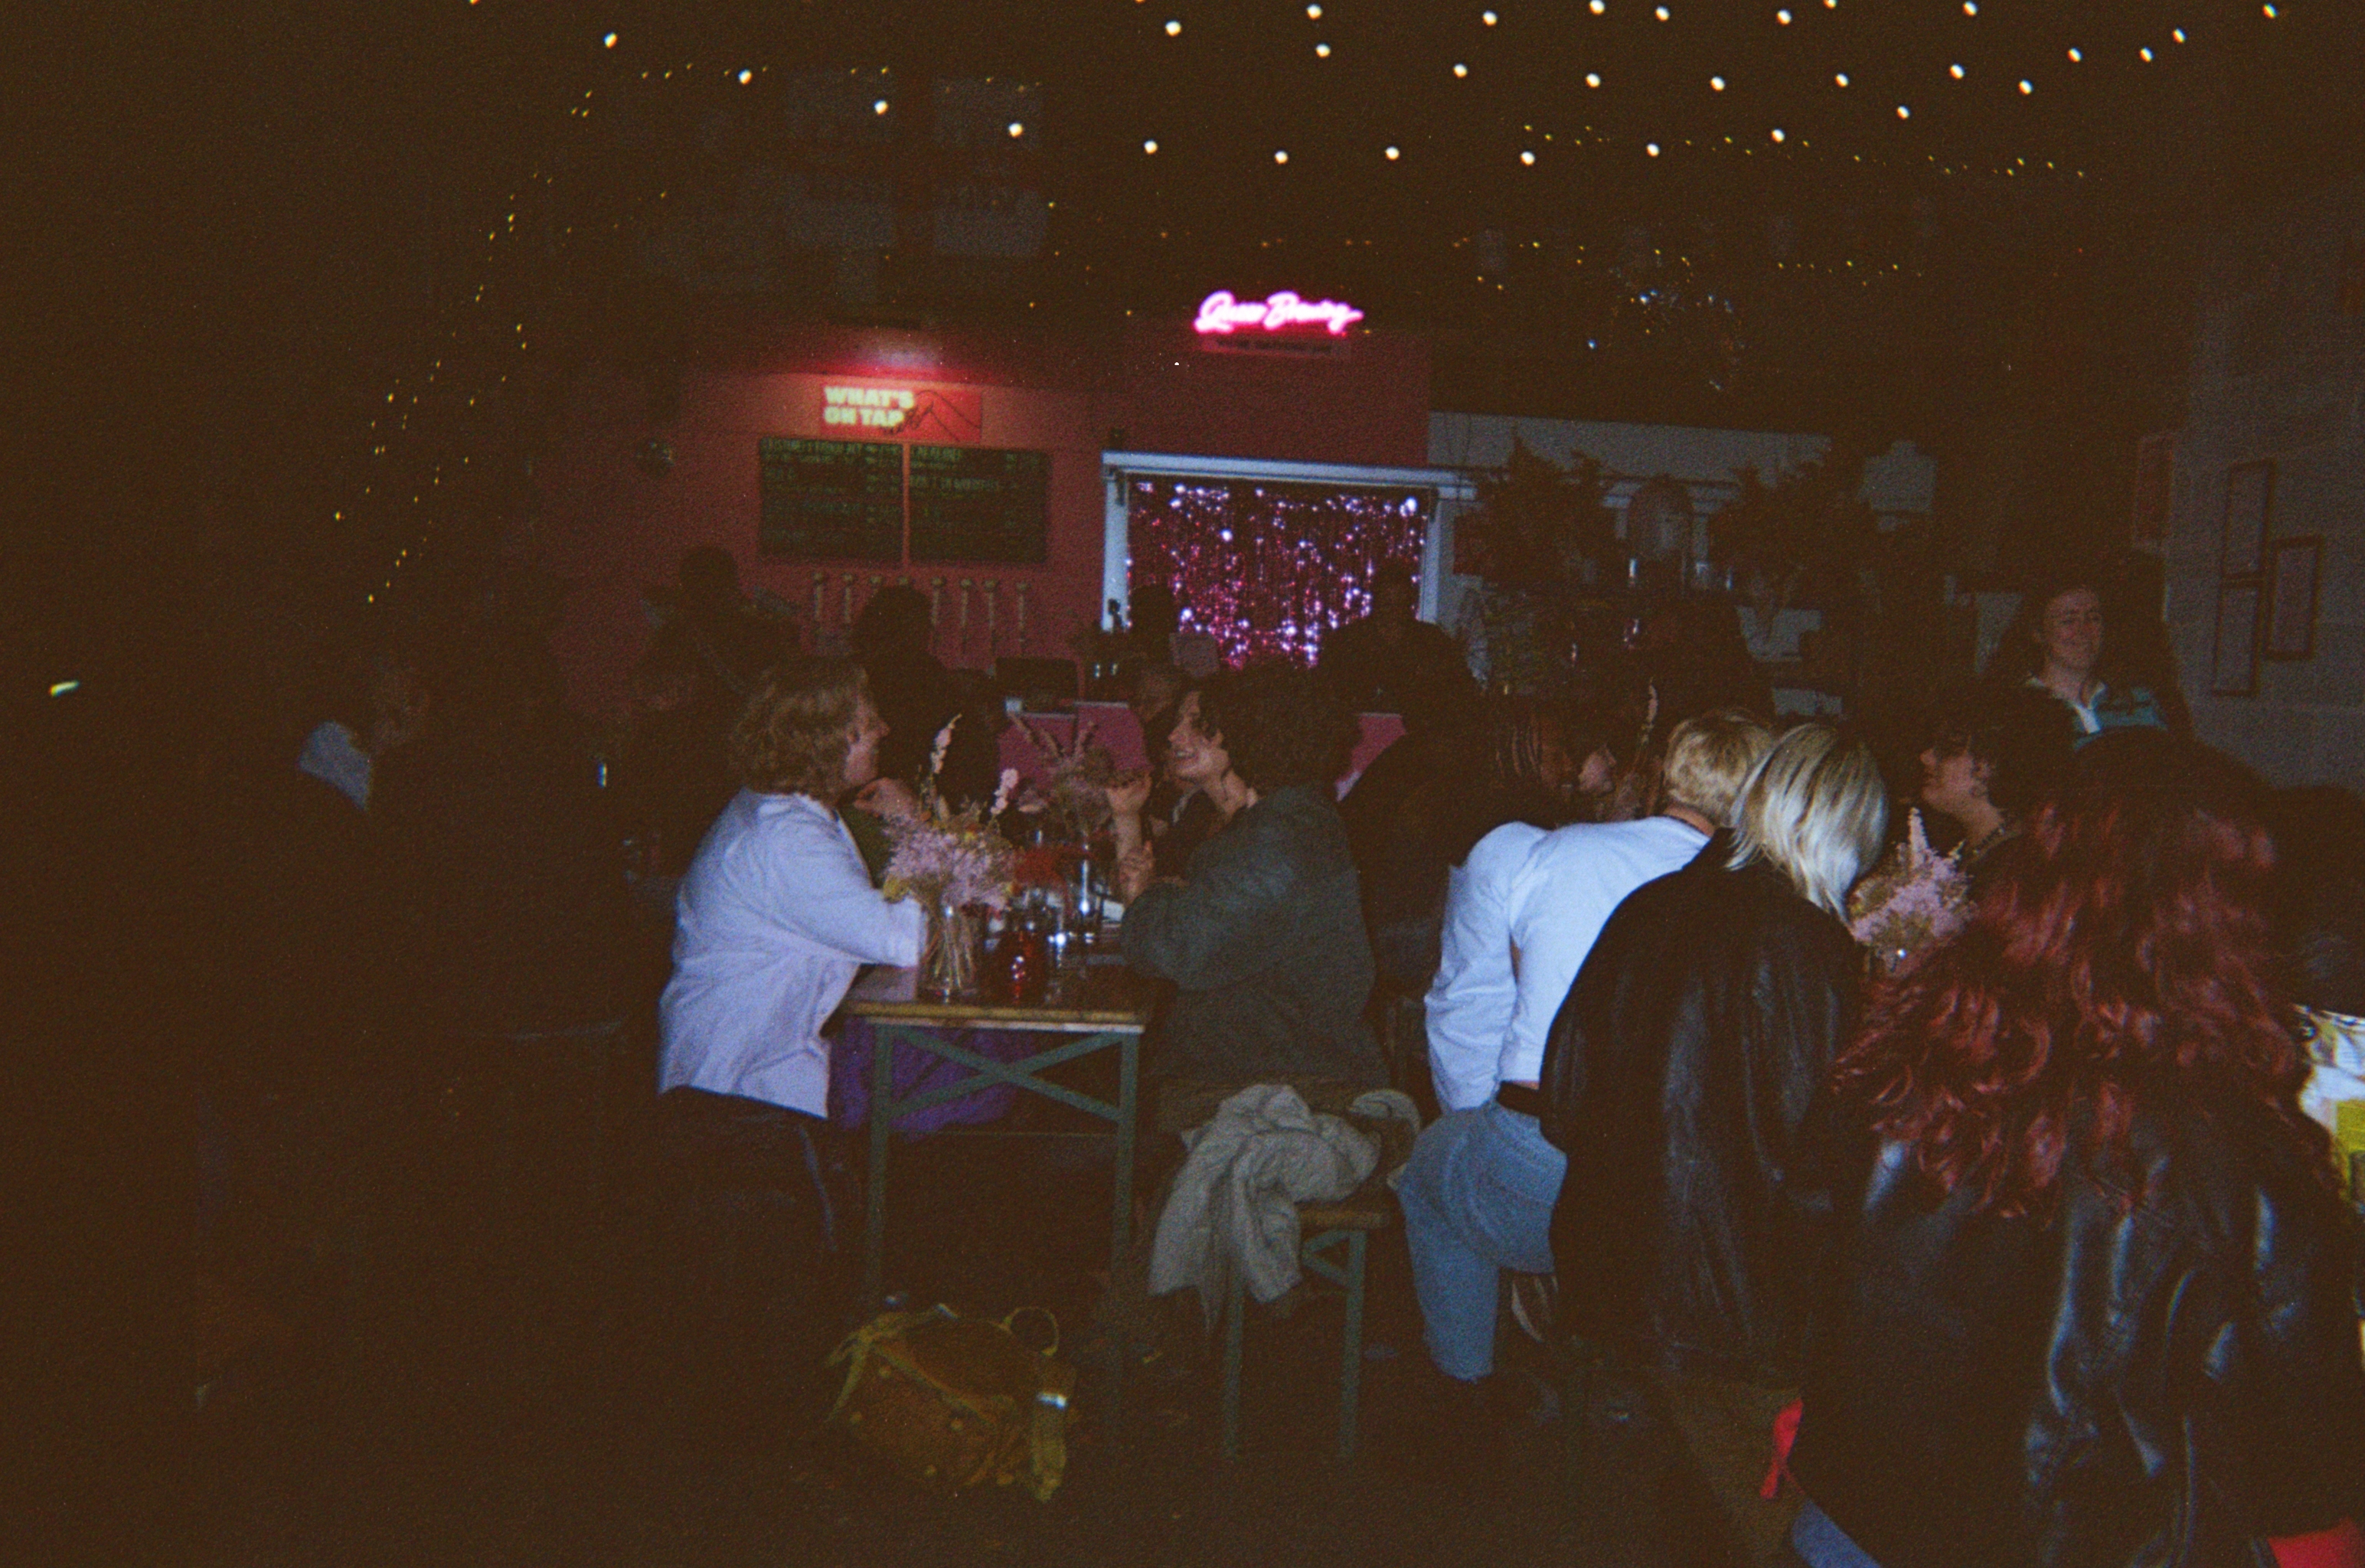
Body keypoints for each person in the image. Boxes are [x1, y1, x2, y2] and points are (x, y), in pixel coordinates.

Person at [1788, 758, 2365, 1568]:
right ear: (2226, 919)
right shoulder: (2240, 1153)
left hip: (1853, 1516)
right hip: (2060, 1542)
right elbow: (2302, 1468)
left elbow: (1801, 1244)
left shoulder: (1914, 1049)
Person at [1538, 722, 1886, 1563]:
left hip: (1616, 1265)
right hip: (1735, 1307)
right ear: (1844, 832)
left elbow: (1562, 1095)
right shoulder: (1808, 945)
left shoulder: (1649, 904)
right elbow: (1827, 1166)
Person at [1394, 708, 1772, 1390]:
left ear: (1662, 776)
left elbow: (1512, 990)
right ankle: (1600, 1373)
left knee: (1426, 1169)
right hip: (1684, 1186)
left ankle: (1463, 1388)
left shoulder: (1557, 852)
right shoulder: (1771, 896)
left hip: (1548, 1162)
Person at [651, 658, 925, 1416]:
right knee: (778, 1282)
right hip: (732, 1090)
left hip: (738, 1072)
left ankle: (800, 1410)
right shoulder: (788, 836)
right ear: (827, 738)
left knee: (777, 1275)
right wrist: (916, 825)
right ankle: (797, 1428)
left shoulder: (795, 813)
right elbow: (903, 936)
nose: (884, 731)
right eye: (868, 720)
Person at [1112, 662, 1384, 1129]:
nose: (1175, 736)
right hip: (1270, 1062)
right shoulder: (1285, 820)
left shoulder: (1276, 840)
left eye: (1201, 725)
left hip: (1277, 1085)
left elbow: (1176, 950)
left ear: (1252, 733)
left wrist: (1146, 900)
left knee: (1099, 1106)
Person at [1413, 701, 1589, 1106]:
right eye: (1556, 754)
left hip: (1465, 1046)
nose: (1569, 768)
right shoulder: (1518, 846)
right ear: (1515, 760)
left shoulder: (1493, 828)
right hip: (1487, 1066)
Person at [1903, 683, 2073, 883]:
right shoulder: (1971, 848)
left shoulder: (2015, 870)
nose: (1926, 757)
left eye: (1948, 750)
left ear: (1990, 765)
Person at [2003, 568, 2174, 746]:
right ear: (2038, 633)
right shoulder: (2015, 711)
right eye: (2068, 621)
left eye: (2093, 618)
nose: (2084, 631)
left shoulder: (2139, 701)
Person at [1317, 563, 1473, 716]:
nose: (1393, 610)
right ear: (1375, 601)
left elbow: (1460, 691)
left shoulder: (1432, 641)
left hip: (1419, 734)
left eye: (1400, 602)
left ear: (1410, 602)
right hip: (1356, 733)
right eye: (1387, 603)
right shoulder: (1347, 641)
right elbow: (1327, 695)